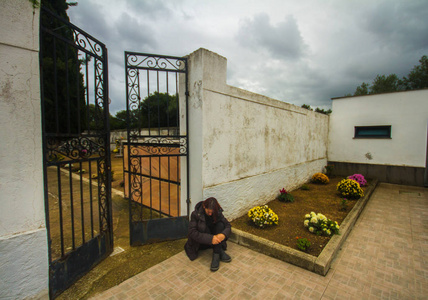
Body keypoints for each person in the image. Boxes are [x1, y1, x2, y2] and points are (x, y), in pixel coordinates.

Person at [184, 197, 232, 271]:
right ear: (204, 207)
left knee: (221, 225)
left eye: (212, 212)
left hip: (215, 239)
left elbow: (228, 225)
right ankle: (219, 251)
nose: (210, 214)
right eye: (208, 211)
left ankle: (216, 254)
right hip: (202, 242)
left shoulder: (217, 212)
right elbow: (192, 232)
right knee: (203, 227)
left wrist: (223, 235)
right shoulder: (195, 214)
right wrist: (210, 239)